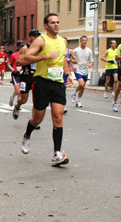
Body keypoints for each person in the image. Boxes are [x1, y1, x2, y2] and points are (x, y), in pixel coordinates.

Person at [19, 13, 73, 166]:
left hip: (57, 83)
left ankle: (57, 154)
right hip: (42, 82)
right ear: (46, 25)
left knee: (58, 118)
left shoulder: (63, 41)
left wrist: (68, 75)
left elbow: (62, 60)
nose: (56, 25)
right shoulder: (41, 40)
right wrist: (45, 56)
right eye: (53, 22)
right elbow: (26, 58)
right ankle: (27, 135)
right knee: (37, 119)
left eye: (58, 22)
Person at [14, 29, 41, 120]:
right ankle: (17, 106)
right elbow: (18, 62)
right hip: (26, 76)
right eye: (35, 36)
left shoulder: (41, 48)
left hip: (37, 75)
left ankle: (34, 119)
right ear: (30, 37)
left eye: (38, 36)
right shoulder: (25, 48)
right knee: (24, 99)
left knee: (36, 100)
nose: (36, 38)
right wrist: (31, 60)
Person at [71, 36, 93, 107]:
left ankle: (79, 100)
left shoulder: (89, 51)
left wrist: (90, 63)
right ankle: (74, 92)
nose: (84, 42)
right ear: (80, 41)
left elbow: (91, 60)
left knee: (83, 87)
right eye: (83, 40)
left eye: (86, 40)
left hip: (85, 70)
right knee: (81, 84)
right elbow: (71, 60)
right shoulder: (75, 50)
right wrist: (73, 66)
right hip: (77, 69)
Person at [7, 40, 25, 108]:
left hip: (23, 74)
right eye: (20, 46)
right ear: (17, 47)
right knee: (18, 91)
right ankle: (12, 97)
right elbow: (8, 64)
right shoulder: (14, 55)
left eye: (23, 46)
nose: (22, 48)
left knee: (21, 91)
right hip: (15, 74)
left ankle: (18, 105)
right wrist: (13, 70)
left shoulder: (26, 54)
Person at [63, 37, 77, 114]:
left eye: (65, 41)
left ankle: (63, 106)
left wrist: (70, 60)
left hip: (66, 72)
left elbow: (76, 61)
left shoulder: (70, 51)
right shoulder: (57, 50)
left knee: (63, 89)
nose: (64, 43)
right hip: (58, 71)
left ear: (67, 42)